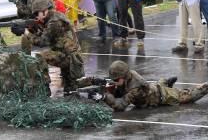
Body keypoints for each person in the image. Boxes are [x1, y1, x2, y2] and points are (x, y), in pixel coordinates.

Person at [78, 60, 208, 111]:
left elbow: (120, 106)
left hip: (162, 96)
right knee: (158, 84)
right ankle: (165, 82)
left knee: (190, 95)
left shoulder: (135, 89)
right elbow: (113, 84)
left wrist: (104, 97)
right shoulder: (127, 75)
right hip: (153, 87)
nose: (114, 81)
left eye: (116, 79)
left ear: (123, 76)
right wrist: (95, 81)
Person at [24, 0, 85, 92]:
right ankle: (94, 82)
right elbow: (50, 35)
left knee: (41, 57)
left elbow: (43, 42)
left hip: (70, 58)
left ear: (45, 11)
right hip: (67, 54)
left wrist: (28, 34)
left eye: (37, 13)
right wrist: (34, 30)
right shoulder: (55, 16)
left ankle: (44, 87)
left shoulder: (54, 22)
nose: (36, 16)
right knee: (71, 88)